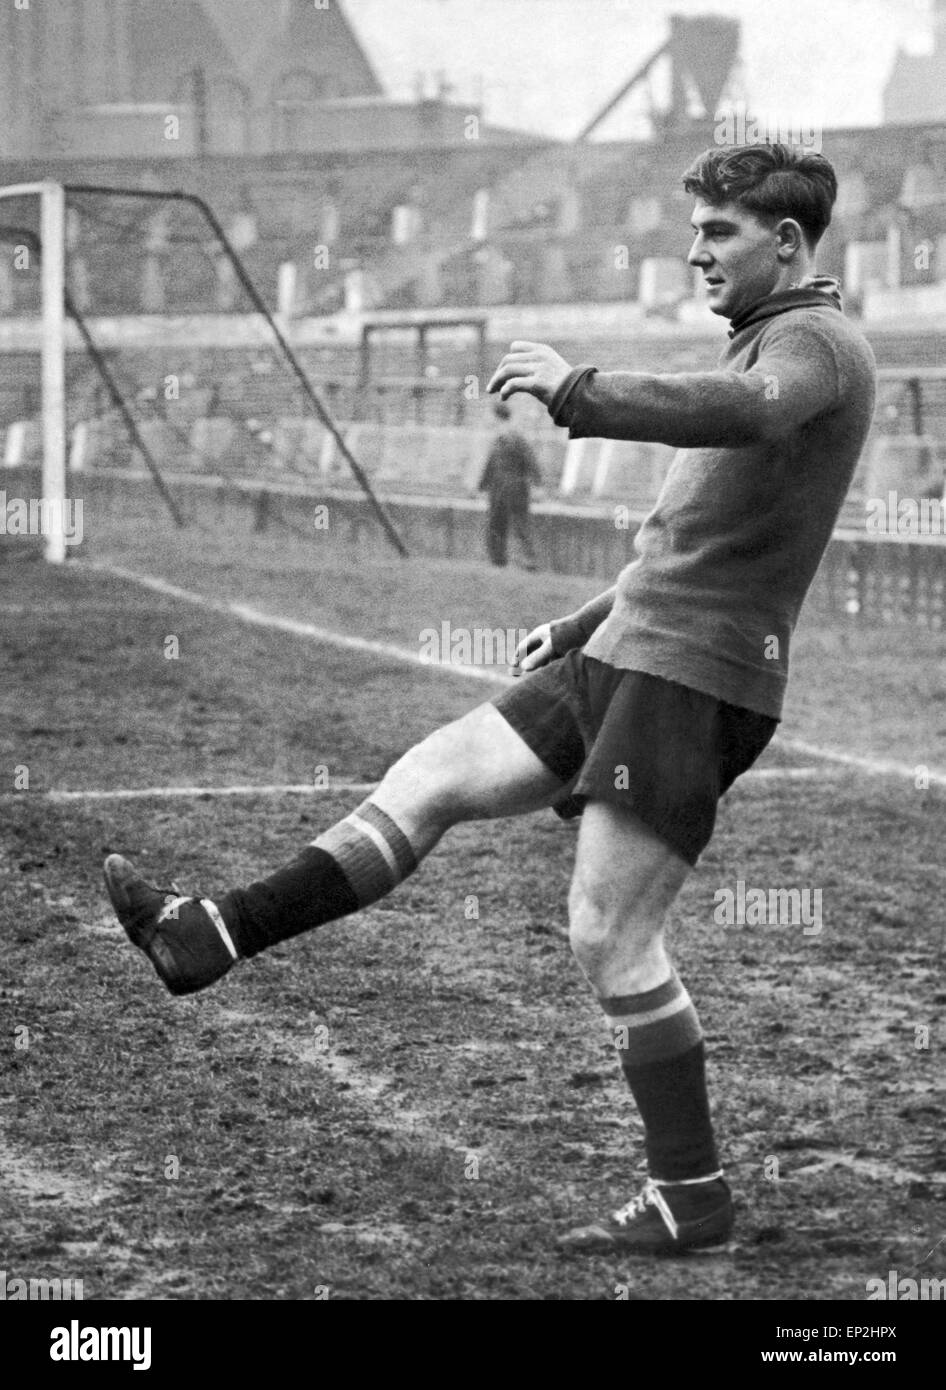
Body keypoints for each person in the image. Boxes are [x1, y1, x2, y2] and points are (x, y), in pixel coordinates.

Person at [102, 144, 877, 1256]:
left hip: (694, 678)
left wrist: (580, 389)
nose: (693, 250)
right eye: (694, 228)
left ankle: (688, 1197)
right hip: (628, 648)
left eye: (718, 233)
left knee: (609, 935)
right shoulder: (764, 335)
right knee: (427, 779)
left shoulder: (812, 345)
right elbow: (694, 538)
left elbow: (747, 413)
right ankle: (211, 930)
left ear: (788, 241)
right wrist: (585, 619)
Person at [477, 400, 543, 569]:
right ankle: (499, 561)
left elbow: (530, 461)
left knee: (517, 524)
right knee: (499, 525)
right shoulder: (502, 437)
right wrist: (482, 486)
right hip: (502, 488)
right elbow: (491, 465)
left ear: (496, 416)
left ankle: (528, 561)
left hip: (513, 487)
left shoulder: (513, 436)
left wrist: (537, 485)